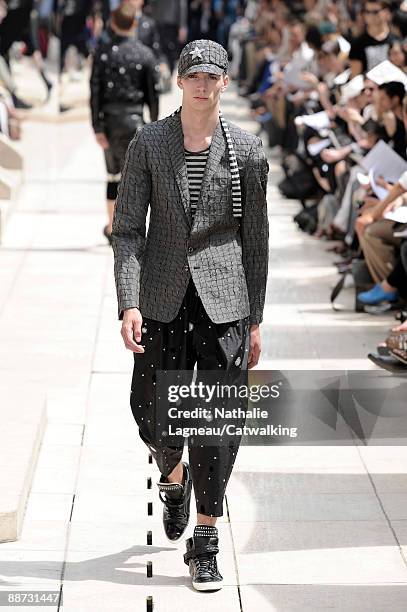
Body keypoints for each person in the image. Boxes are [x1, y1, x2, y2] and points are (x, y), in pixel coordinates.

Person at [111, 39, 269, 591]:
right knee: (151, 413)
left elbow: (256, 240)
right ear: (179, 81)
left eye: (212, 75)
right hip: (160, 292)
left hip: (225, 297)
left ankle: (205, 538)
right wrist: (128, 301)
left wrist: (255, 316)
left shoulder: (247, 151)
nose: (203, 83)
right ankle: (172, 477)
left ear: (225, 82)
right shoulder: (150, 141)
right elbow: (128, 227)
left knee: (218, 419)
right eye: (193, 74)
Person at [90, 4, 160, 243]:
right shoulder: (145, 55)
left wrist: (97, 126)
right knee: (139, 178)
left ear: (112, 23)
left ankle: (112, 227)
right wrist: (155, 125)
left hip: (109, 123)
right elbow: (153, 95)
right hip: (136, 122)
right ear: (134, 24)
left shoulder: (102, 53)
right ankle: (135, 227)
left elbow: (95, 91)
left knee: (112, 176)